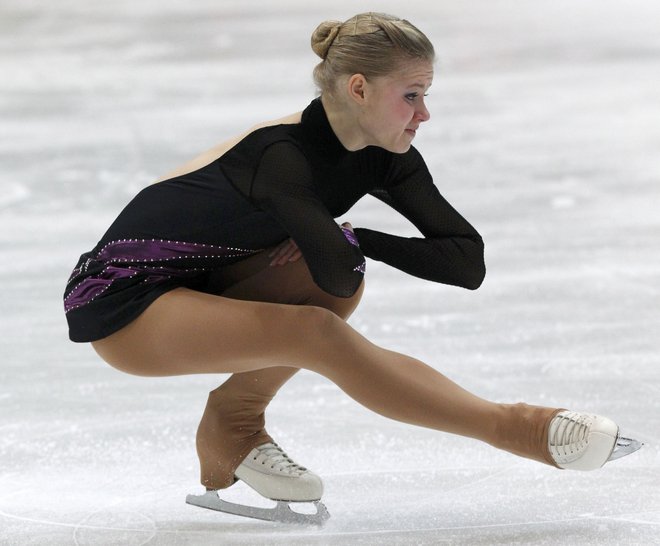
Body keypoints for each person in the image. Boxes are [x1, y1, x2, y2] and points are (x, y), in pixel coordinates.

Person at [63, 12, 640, 522]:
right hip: (124, 303)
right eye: (411, 96)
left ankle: (232, 426)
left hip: (208, 280)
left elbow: (466, 262)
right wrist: (342, 242)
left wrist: (358, 233)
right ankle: (520, 427)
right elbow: (338, 271)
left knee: (327, 287)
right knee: (317, 323)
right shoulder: (280, 157)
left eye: (426, 95)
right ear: (359, 88)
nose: (425, 114)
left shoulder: (385, 157)